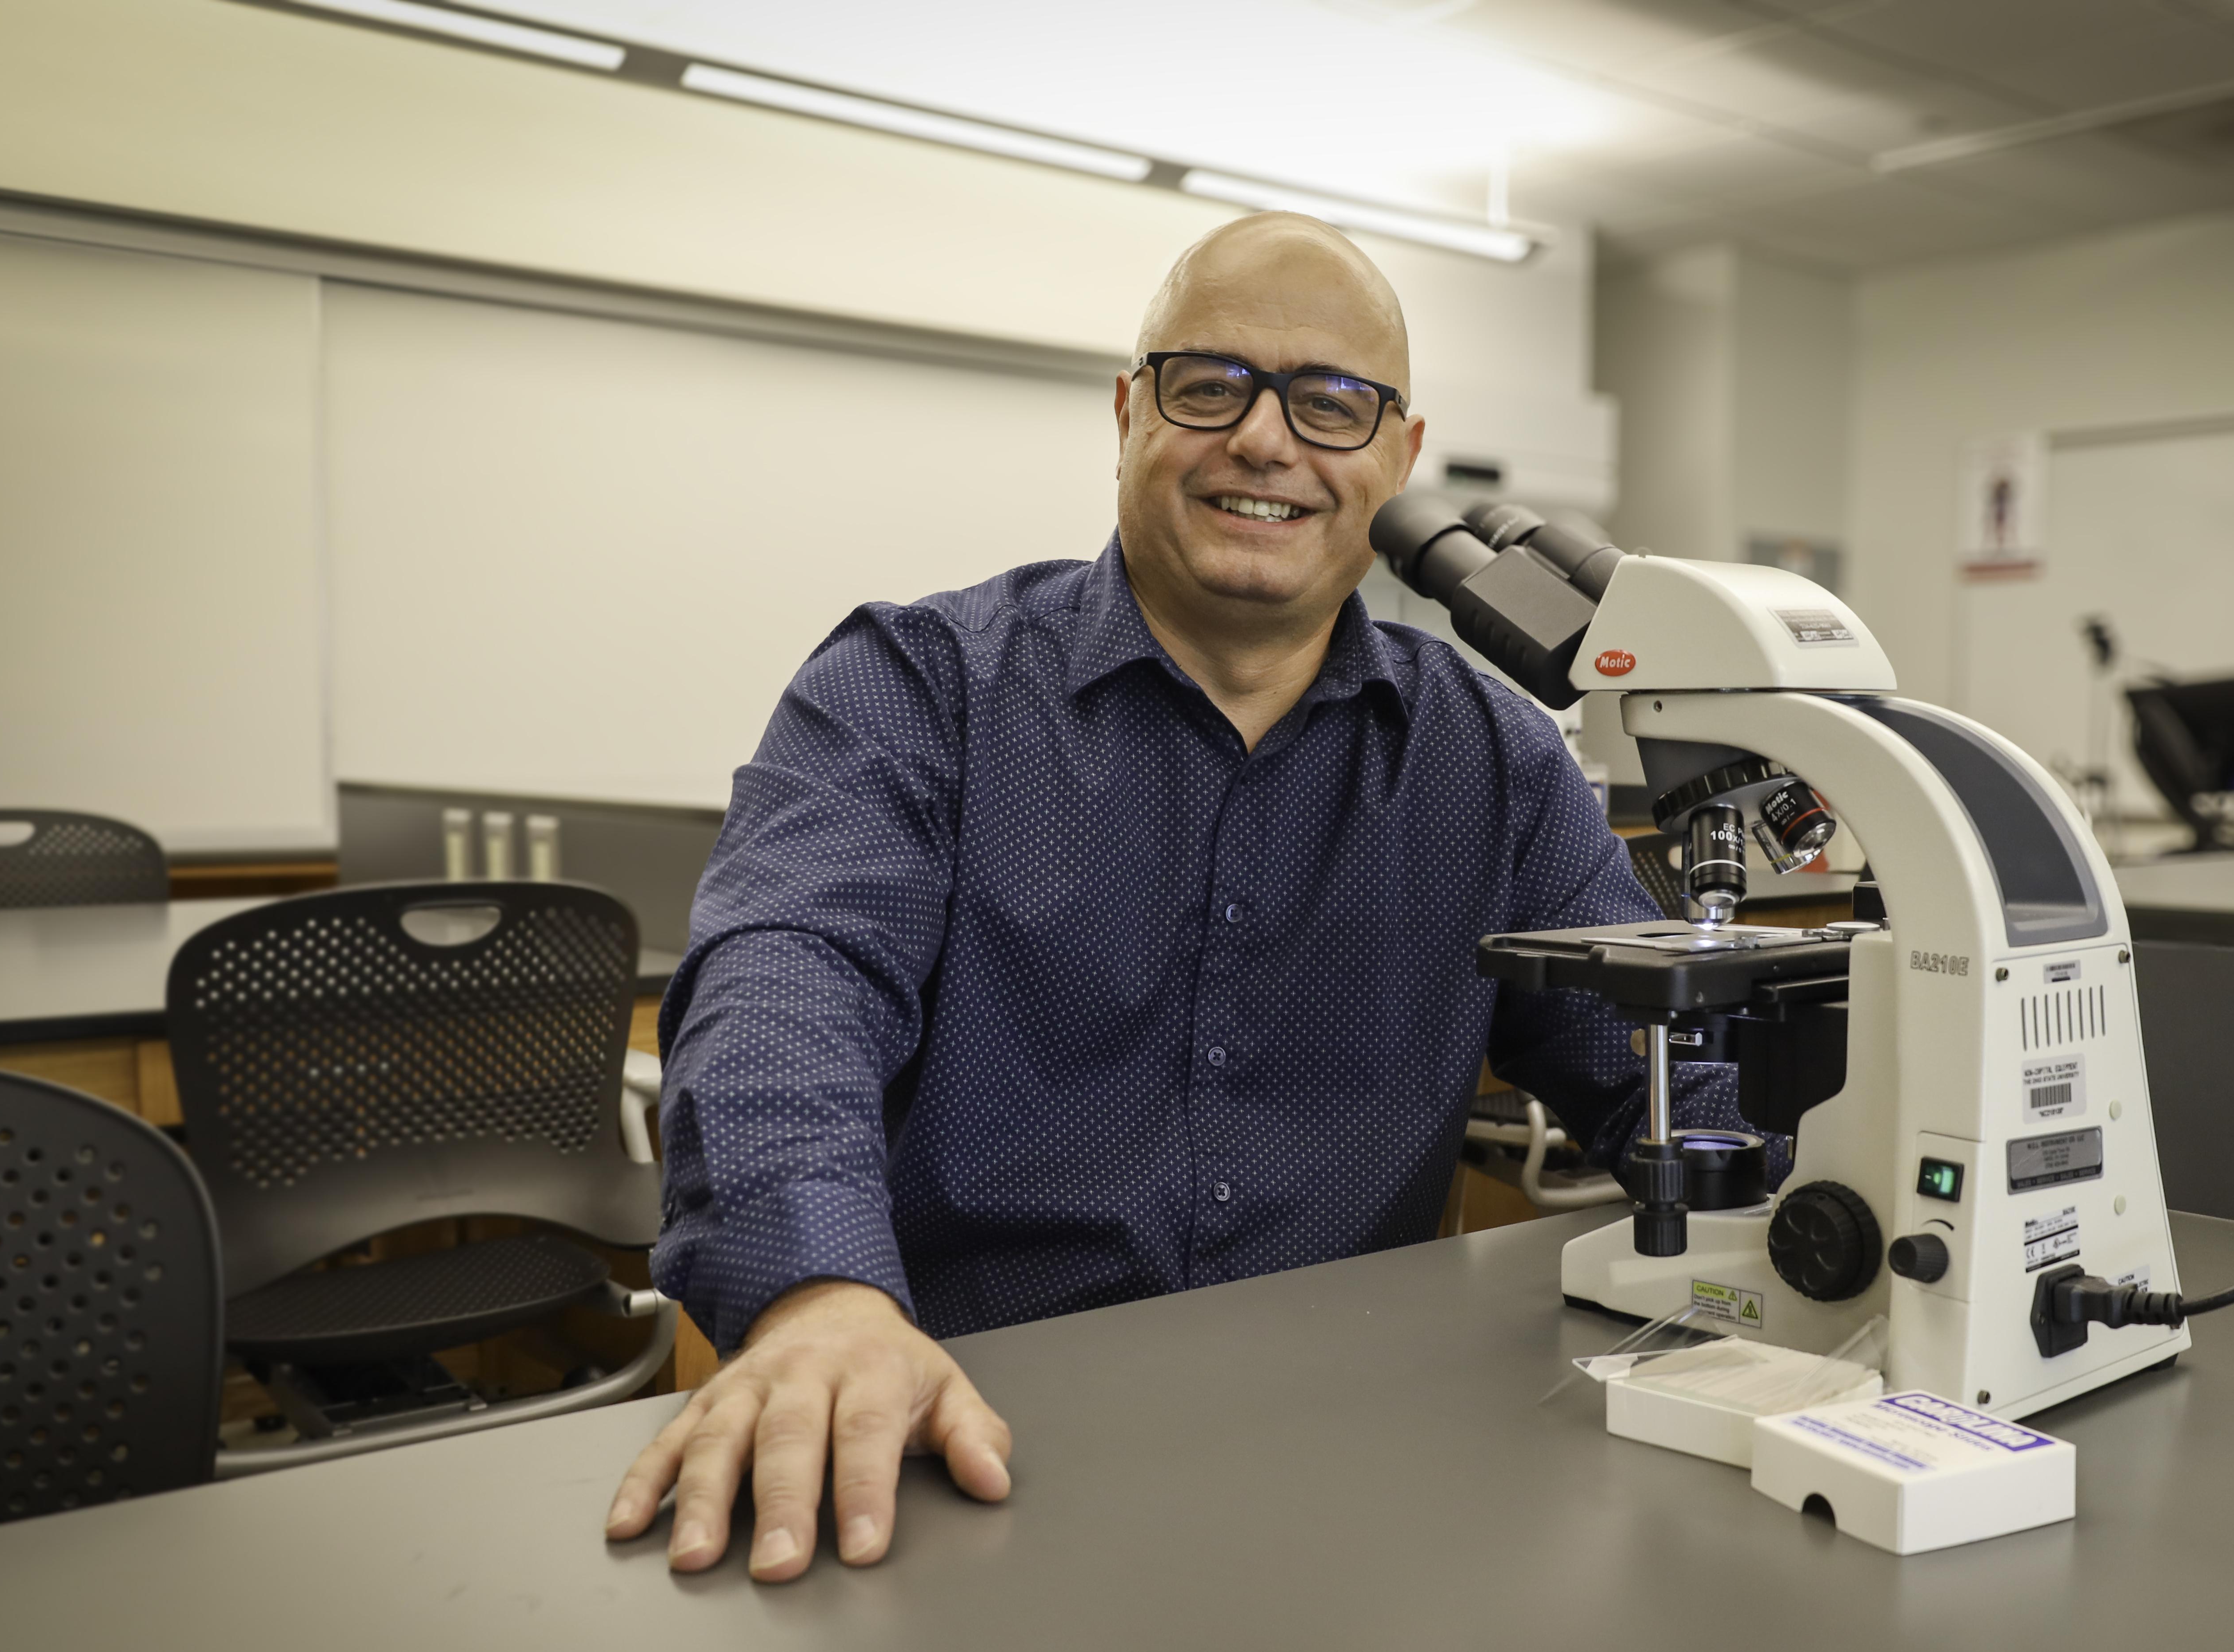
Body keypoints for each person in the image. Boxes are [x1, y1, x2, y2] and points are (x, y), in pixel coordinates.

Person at [604, 212, 1761, 1580]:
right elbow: (781, 982)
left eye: (1333, 405)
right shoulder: (917, 690)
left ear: (1398, 458)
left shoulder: (1494, 759)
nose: (1265, 442)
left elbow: (1665, 1079)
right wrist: (822, 1302)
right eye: (1210, 385)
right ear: (1128, 411)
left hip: (1363, 1476)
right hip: (960, 1442)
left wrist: (1846, 1206)